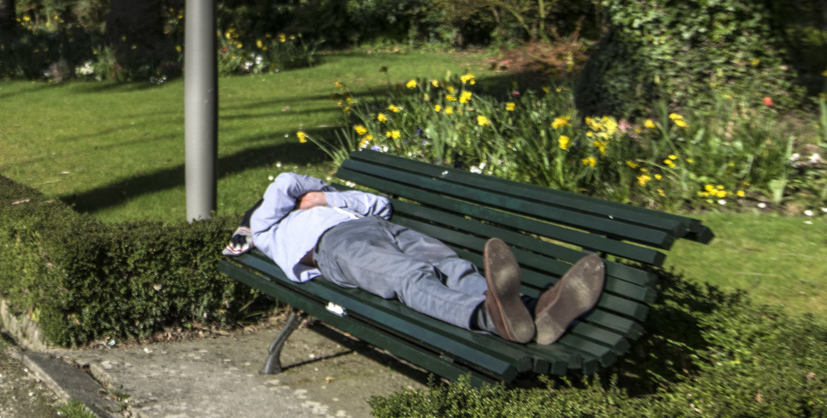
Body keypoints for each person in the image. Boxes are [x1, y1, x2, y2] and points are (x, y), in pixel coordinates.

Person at [224, 172, 605, 345]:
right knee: (410, 276)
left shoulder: (327, 203)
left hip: (383, 229)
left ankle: (534, 312)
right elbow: (284, 181)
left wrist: (328, 197)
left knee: (454, 267)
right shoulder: (268, 228)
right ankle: (492, 318)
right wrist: (314, 192)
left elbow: (379, 204)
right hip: (336, 247)